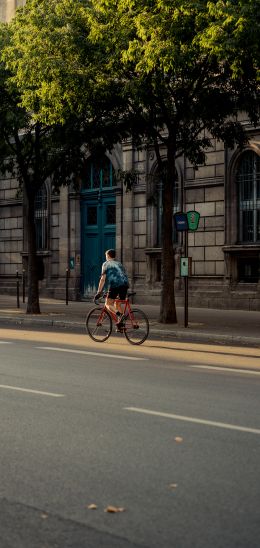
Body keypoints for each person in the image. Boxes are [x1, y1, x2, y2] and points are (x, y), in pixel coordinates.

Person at [94, 249, 129, 327]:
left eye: (106, 255)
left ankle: (120, 315)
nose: (105, 257)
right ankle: (121, 325)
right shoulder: (119, 264)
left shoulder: (106, 264)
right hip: (125, 285)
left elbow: (103, 279)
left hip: (115, 285)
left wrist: (99, 292)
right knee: (118, 303)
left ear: (108, 256)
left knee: (108, 304)